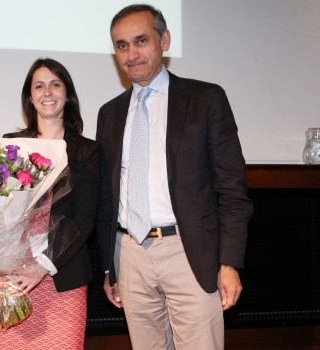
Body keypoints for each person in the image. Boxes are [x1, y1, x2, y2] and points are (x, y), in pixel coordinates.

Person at [96, 4, 253, 350]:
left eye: (140, 40)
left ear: (164, 40)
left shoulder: (205, 99)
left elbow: (232, 189)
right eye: (122, 45)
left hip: (189, 251)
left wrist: (229, 262)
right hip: (130, 254)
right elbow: (108, 196)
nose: (131, 53)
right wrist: (111, 266)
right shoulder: (109, 114)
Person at [0, 58, 100, 349]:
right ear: (30, 97)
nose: (47, 92)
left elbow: (85, 218)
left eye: (55, 84)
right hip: (6, 277)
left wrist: (42, 266)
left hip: (60, 276)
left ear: (67, 94)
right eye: (39, 86)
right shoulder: (10, 145)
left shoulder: (87, 151)